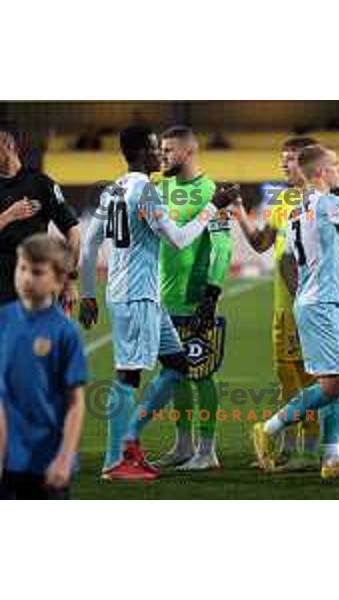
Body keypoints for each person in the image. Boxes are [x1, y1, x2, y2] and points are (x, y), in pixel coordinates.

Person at [79, 125, 236, 480]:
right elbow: (179, 239)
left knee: (178, 365)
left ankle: (130, 440)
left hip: (142, 296)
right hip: (136, 297)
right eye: (154, 149)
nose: (159, 155)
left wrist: (88, 293)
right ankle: (115, 460)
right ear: (139, 153)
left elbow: (89, 246)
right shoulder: (145, 191)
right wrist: (213, 206)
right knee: (128, 374)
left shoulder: (112, 190)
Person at [253, 144, 339, 479]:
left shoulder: (296, 211)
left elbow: (286, 258)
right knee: (332, 384)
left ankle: (332, 459)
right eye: (335, 164)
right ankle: (269, 427)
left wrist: (299, 295)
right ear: (321, 172)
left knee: (332, 377)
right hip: (324, 303)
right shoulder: (329, 203)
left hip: (311, 302)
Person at [234, 136, 321, 471]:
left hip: (307, 305)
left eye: (290, 160)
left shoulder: (319, 201)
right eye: (282, 159)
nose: (283, 165)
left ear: (307, 163)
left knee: (308, 378)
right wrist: (239, 211)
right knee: (287, 377)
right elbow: (261, 243)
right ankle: (287, 449)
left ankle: (311, 450)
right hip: (283, 305)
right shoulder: (282, 200)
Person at [153, 126, 233, 471]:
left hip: (194, 297)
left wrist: (211, 294)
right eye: (161, 150)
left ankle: (207, 450)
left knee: (201, 371)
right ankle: (182, 445)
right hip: (163, 298)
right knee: (175, 373)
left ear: (188, 151)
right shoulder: (159, 186)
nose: (162, 156)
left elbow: (223, 246)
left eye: (168, 150)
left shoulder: (210, 191)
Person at [0, 234, 87, 499]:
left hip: (47, 459)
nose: (27, 278)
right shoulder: (3, 320)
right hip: (7, 460)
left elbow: (75, 403)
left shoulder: (65, 331)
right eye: (22, 268)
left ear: (59, 281)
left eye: (37, 272)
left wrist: (65, 457)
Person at [0, 130, 80, 311]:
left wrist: (69, 280)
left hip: (37, 278)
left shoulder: (41, 184)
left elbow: (72, 231)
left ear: (9, 146)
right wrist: (9, 215)